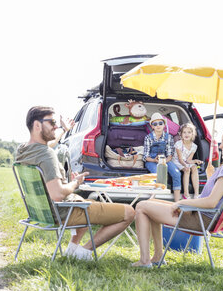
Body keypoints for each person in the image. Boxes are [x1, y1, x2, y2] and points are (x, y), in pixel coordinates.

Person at [15, 106, 135, 260]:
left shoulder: (24, 150)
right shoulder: (47, 155)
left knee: (87, 201)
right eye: (51, 122)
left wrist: (64, 130)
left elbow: (49, 145)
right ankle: (84, 251)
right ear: (37, 125)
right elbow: (57, 194)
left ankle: (72, 250)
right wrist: (75, 184)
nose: (55, 126)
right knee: (129, 212)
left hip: (41, 213)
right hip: (63, 212)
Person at [132, 126, 223, 267]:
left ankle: (144, 260)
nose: (220, 146)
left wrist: (181, 203)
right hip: (209, 218)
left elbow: (211, 202)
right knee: (151, 203)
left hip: (200, 219)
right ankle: (158, 256)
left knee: (142, 206)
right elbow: (218, 197)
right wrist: (212, 176)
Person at [143, 112, 182, 202]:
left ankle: (177, 201)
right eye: (155, 124)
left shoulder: (169, 137)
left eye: (160, 123)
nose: (158, 125)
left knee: (177, 174)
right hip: (151, 160)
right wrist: (154, 160)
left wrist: (163, 161)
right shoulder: (148, 138)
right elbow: (145, 156)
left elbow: (170, 154)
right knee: (157, 173)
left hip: (165, 159)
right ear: (152, 126)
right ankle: (152, 198)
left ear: (164, 124)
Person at [171, 123, 203, 199]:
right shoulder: (178, 144)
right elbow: (180, 159)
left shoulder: (194, 146)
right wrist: (186, 166)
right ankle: (186, 193)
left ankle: (196, 193)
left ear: (192, 134)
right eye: (184, 132)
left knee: (194, 168)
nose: (186, 134)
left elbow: (188, 160)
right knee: (187, 170)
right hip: (177, 161)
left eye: (189, 132)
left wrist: (195, 161)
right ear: (181, 134)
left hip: (185, 161)